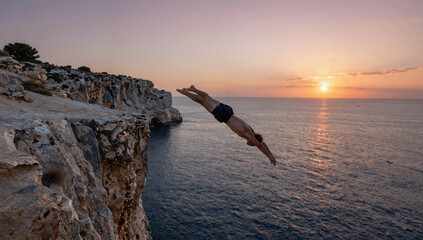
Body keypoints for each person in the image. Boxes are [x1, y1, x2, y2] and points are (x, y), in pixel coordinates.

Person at [177, 85, 277, 165]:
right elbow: (260, 145)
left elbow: (262, 143)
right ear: (254, 141)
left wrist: (271, 155)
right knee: (204, 101)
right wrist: (269, 156)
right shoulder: (249, 134)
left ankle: (193, 89)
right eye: (253, 144)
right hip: (225, 115)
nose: (252, 146)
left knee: (207, 99)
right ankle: (186, 92)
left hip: (228, 111)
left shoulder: (251, 131)